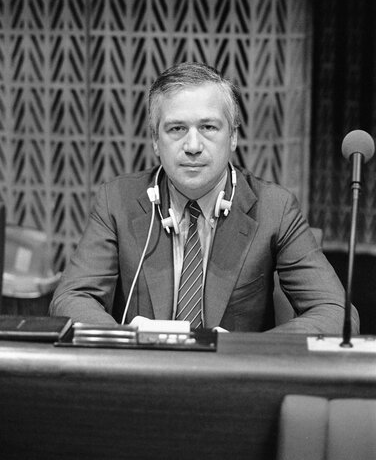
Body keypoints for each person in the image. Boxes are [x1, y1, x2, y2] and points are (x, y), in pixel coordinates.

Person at [50, 62, 359, 333]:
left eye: (209, 127)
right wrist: (128, 343)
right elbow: (72, 298)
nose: (193, 145)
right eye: (176, 129)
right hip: (143, 378)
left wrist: (241, 350)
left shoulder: (273, 208)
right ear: (156, 141)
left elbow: (337, 313)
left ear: (234, 136)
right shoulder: (118, 200)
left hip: (232, 384)